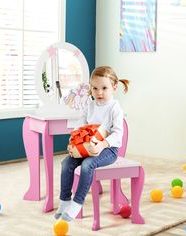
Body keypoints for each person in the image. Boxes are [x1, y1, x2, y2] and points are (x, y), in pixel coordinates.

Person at [55, 66, 129, 222]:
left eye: (104, 88)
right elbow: (79, 127)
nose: (99, 92)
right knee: (65, 163)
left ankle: (77, 203)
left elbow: (118, 134)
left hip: (109, 149)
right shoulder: (89, 106)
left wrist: (103, 144)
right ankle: (64, 201)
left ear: (114, 87)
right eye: (95, 88)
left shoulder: (115, 108)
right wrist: (72, 143)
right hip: (87, 147)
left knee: (87, 165)